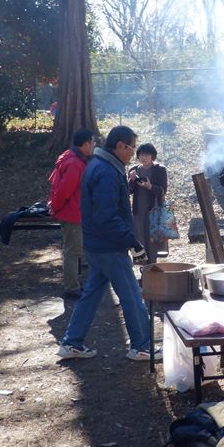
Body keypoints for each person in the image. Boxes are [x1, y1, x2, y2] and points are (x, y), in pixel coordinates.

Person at [57, 125, 161, 362]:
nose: (133, 153)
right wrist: (131, 242)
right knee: (132, 295)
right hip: (109, 247)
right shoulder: (105, 171)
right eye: (132, 147)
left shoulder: (102, 165)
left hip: (96, 244)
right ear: (120, 146)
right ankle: (142, 346)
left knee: (92, 294)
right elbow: (107, 216)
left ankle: (72, 342)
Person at [48, 128, 95, 299]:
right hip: (72, 214)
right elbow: (64, 190)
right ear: (85, 144)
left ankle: (75, 283)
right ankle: (72, 287)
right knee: (73, 251)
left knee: (74, 250)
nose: (94, 146)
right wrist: (55, 206)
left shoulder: (70, 156)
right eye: (92, 143)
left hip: (73, 212)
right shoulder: (75, 163)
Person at [128, 143, 168, 263]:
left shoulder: (160, 169)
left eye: (147, 155)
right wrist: (131, 180)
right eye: (141, 155)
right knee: (140, 237)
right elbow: (129, 190)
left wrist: (150, 186)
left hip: (155, 210)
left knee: (154, 239)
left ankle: (155, 265)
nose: (144, 157)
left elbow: (162, 191)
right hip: (139, 211)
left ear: (152, 156)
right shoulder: (134, 170)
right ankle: (143, 268)